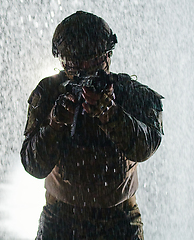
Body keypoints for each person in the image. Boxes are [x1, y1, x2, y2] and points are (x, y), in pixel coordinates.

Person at [20, 11, 163, 240]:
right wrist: (55, 125)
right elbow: (33, 164)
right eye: (75, 63)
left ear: (107, 56)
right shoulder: (48, 93)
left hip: (118, 222)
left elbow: (146, 146)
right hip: (61, 220)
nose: (85, 71)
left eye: (93, 61)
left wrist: (112, 115)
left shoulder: (131, 94)